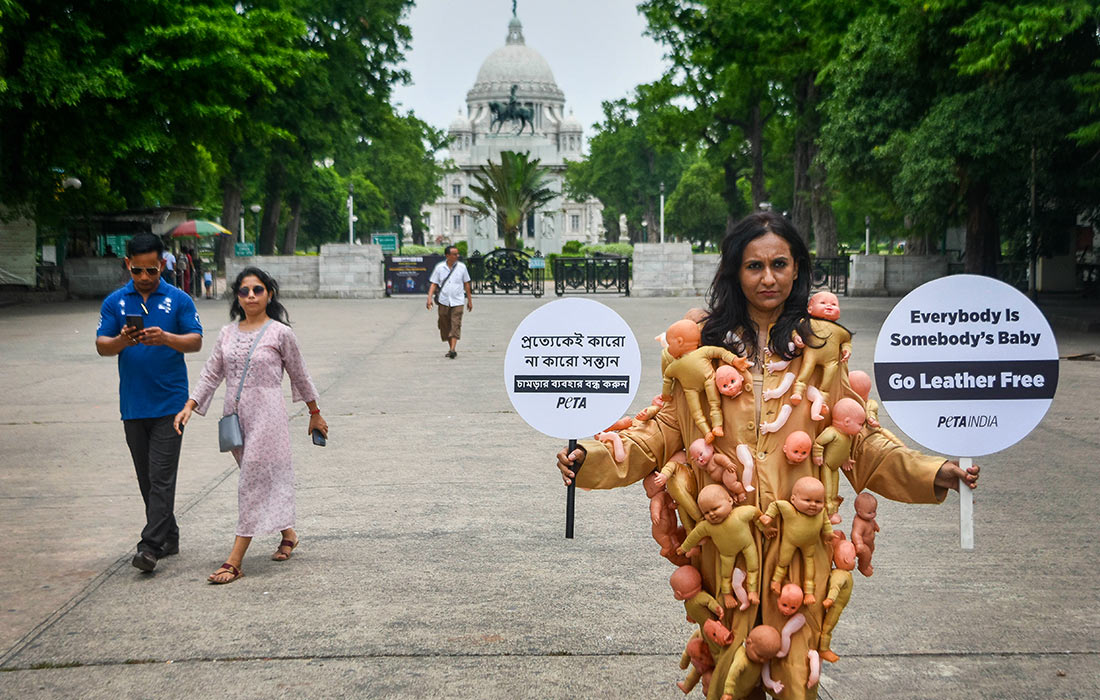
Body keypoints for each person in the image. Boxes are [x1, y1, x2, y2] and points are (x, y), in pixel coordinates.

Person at [555, 211, 980, 699]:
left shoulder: (820, 348)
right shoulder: (703, 346)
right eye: (754, 266)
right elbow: (665, 428)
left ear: (798, 267)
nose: (768, 277)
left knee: (794, 677)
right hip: (725, 547)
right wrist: (589, 457)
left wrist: (934, 472)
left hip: (799, 552)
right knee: (729, 673)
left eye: (780, 263)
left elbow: (858, 440)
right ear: (736, 271)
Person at [174, 267, 328, 584]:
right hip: (234, 416)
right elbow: (211, 374)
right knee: (257, 478)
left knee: (251, 484)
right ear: (237, 297)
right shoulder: (227, 334)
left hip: (268, 415)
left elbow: (300, 374)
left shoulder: (280, 334)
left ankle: (234, 560)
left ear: (269, 294)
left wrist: (315, 411)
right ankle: (289, 534)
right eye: (244, 291)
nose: (251, 296)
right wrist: (190, 405)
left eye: (257, 290)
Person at [95, 233, 203, 573]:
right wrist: (121, 341)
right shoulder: (115, 302)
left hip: (171, 405)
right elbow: (102, 345)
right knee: (147, 479)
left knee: (161, 478)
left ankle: (150, 546)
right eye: (138, 271)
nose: (144, 278)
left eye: (152, 271)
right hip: (133, 405)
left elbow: (196, 341)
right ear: (128, 265)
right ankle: (168, 535)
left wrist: (166, 337)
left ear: (163, 265)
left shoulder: (179, 300)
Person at [425, 245, 473, 358]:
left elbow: (467, 284)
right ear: (447, 256)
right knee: (444, 324)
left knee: (455, 324)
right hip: (444, 300)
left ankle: (452, 349)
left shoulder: (462, 267)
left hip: (458, 300)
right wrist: (429, 298)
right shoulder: (440, 267)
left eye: (457, 254)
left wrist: (469, 300)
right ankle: (450, 346)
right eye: (454, 254)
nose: (457, 256)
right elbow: (434, 283)